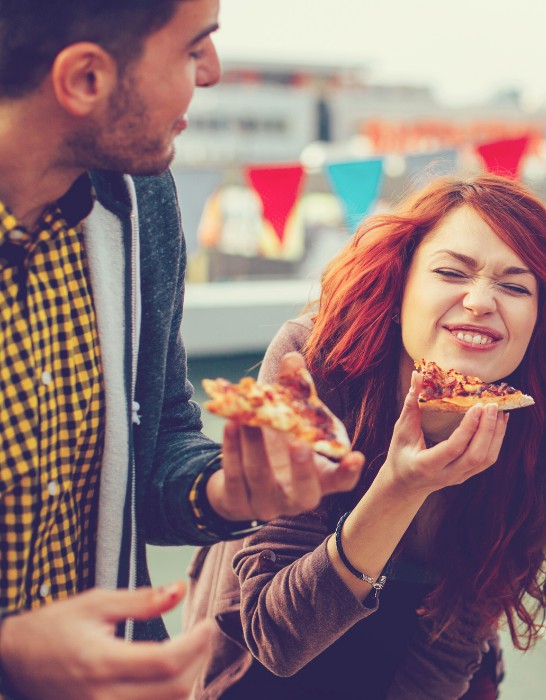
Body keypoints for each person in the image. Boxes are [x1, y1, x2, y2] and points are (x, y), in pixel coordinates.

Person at [0, 2, 363, 698]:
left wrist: (226, 489)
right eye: (194, 48)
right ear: (83, 80)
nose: (214, 71)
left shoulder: (142, 201)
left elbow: (160, 435)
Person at [187, 175, 546, 699]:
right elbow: (277, 640)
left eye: (515, 285)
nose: (480, 301)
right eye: (452, 272)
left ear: (539, 317)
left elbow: (452, 641)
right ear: (401, 282)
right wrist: (402, 487)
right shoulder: (315, 363)